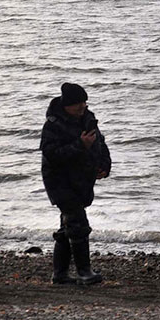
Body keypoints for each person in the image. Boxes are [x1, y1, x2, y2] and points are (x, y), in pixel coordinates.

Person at [40, 82, 111, 285]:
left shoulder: (88, 119)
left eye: (84, 102)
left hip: (82, 180)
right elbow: (52, 155)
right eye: (78, 104)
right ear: (66, 105)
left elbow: (101, 144)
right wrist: (80, 145)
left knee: (67, 226)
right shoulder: (53, 125)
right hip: (60, 182)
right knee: (78, 225)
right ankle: (84, 272)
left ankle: (60, 274)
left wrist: (104, 167)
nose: (82, 107)